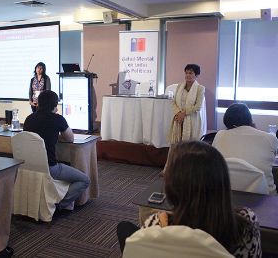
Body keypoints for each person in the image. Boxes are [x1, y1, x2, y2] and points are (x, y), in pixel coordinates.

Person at [117, 141, 261, 257]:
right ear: (222, 182)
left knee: (124, 227)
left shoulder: (157, 225)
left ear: (172, 186)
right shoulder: (246, 223)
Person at [24, 90, 89, 210]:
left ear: (38, 103)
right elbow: (70, 138)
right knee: (84, 180)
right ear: (54, 106)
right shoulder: (57, 119)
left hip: (29, 167)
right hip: (50, 168)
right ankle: (59, 204)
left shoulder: (29, 119)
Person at [213, 103, 278, 194]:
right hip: (264, 197)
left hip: (227, 195)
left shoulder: (220, 135)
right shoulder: (270, 138)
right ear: (250, 119)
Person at [168, 64, 205, 144]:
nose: (188, 75)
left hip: (192, 119)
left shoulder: (200, 88)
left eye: (191, 73)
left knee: (190, 144)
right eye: (186, 73)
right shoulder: (179, 86)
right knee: (177, 143)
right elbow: (173, 101)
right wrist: (178, 113)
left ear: (196, 75)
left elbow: (198, 106)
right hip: (178, 119)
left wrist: (183, 114)